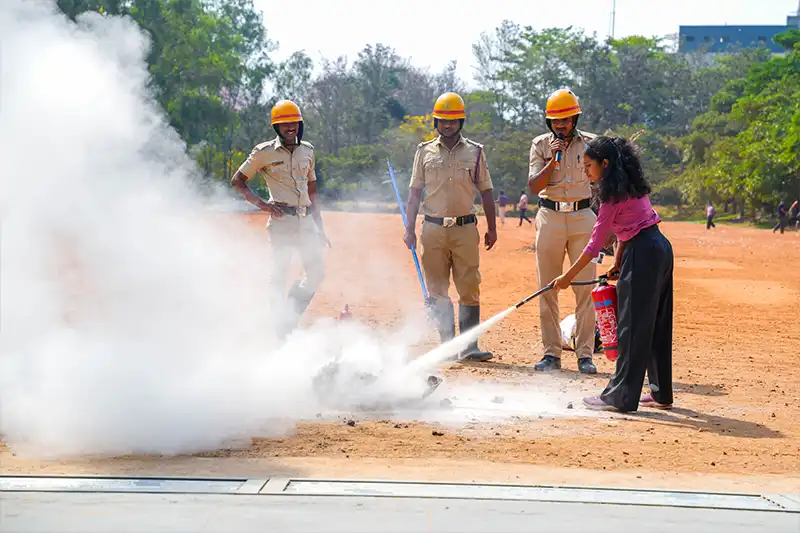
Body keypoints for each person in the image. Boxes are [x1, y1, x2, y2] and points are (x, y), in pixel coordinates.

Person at [550, 136, 674, 413]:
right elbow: (629, 230)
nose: (586, 171)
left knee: (631, 328)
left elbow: (594, 244)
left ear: (604, 165)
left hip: (643, 255)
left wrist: (566, 277)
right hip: (659, 249)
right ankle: (660, 391)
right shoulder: (632, 185)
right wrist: (618, 262)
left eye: (589, 166)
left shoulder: (610, 196)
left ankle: (620, 395)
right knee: (657, 323)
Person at [403, 92, 498, 362]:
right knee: (437, 288)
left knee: (469, 286)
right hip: (432, 230)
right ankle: (446, 345)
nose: (448, 125)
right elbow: (414, 193)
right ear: (436, 121)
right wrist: (409, 228)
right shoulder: (423, 152)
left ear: (461, 121)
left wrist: (492, 228)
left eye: (453, 120)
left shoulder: (476, 152)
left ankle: (469, 347)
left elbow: (487, 192)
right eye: (443, 120)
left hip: (465, 229)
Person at [231, 99, 330, 336]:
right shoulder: (263, 152)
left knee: (316, 272)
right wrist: (262, 205)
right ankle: (276, 326)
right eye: (284, 125)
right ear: (276, 128)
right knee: (279, 275)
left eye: (294, 123)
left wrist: (321, 228)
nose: (290, 128)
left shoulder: (308, 151)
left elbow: (313, 192)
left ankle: (289, 314)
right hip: (281, 222)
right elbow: (238, 181)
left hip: (306, 221)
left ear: (300, 124)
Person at [528, 88, 598, 374]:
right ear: (549, 122)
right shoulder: (540, 145)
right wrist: (551, 160)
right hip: (550, 216)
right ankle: (551, 354)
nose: (561, 125)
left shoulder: (593, 144)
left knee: (585, 288)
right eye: (556, 121)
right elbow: (533, 186)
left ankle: (585, 355)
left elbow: (604, 185)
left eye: (567, 119)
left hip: (583, 217)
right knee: (548, 287)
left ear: (575, 117)